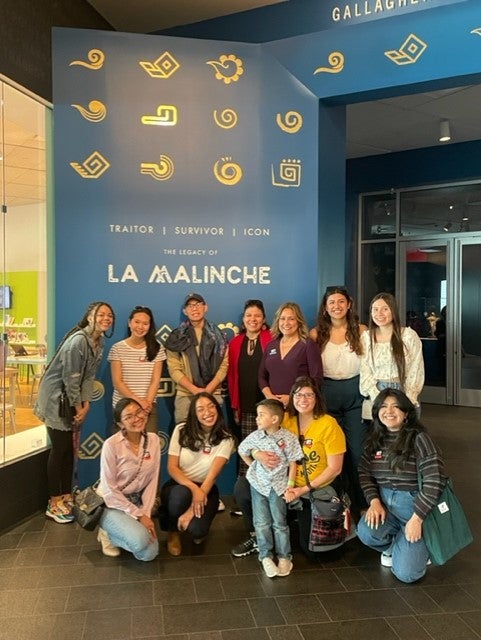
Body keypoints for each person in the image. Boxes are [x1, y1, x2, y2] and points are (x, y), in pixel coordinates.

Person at [34, 301, 115, 524]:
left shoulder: (99, 342)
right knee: (60, 449)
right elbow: (70, 379)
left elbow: (88, 377)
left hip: (72, 400)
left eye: (109, 315)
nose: (106, 318)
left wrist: (86, 403)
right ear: (90, 317)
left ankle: (66, 496)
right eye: (101, 314)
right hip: (55, 399)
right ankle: (54, 502)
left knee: (70, 450)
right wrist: (78, 407)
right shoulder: (78, 340)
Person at [356, 388, 445, 583]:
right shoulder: (373, 440)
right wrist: (374, 502)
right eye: (384, 406)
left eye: (396, 407)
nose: (389, 411)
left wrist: (418, 519)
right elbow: (364, 472)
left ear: (406, 413)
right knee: (365, 531)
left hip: (416, 512)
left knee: (407, 574)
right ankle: (397, 546)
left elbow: (434, 480)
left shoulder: (420, 438)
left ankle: (421, 548)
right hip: (389, 511)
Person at [310, 286, 367, 512]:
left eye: (341, 301)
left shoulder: (362, 331)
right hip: (327, 395)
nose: (336, 306)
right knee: (331, 453)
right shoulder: (316, 335)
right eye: (331, 302)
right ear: (325, 307)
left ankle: (363, 503)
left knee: (357, 451)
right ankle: (333, 503)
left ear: (349, 304)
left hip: (356, 393)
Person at [160, 392, 235, 556]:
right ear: (194, 413)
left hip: (207, 487)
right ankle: (173, 532)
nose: (207, 413)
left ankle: (192, 523)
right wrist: (194, 490)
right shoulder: (181, 429)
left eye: (210, 406)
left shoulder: (226, 439)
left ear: (217, 408)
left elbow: (212, 476)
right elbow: (172, 467)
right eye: (200, 409)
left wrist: (190, 512)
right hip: (179, 484)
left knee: (197, 530)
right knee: (180, 495)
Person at [283, 376, 347, 560]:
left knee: (313, 553)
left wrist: (304, 489)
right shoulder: (285, 421)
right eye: (298, 394)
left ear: (317, 398)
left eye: (309, 395)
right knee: (244, 490)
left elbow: (335, 469)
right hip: (289, 485)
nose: (303, 400)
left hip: (316, 489)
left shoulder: (328, 424)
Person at [238, 398, 303, 577]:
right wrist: (253, 464)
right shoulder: (255, 436)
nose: (257, 419)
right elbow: (242, 450)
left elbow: (293, 462)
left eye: (261, 415)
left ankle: (284, 557)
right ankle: (265, 556)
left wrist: (290, 486)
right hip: (258, 485)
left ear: (274, 419)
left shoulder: (288, 438)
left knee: (279, 523)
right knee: (261, 522)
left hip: (278, 486)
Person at [227, 299, 272, 556]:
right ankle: (245, 499)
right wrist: (234, 404)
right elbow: (232, 375)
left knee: (267, 452)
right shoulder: (234, 343)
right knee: (246, 453)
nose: (252, 319)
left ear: (263, 318)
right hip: (244, 407)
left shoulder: (272, 338)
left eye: (257, 315)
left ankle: (264, 497)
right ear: (243, 319)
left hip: (266, 406)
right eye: (248, 315)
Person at [97, 397, 160, 561]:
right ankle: (107, 534)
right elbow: (110, 491)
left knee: (149, 554)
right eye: (128, 416)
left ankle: (124, 534)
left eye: (138, 412)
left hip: (137, 501)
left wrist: (145, 513)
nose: (136, 418)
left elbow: (152, 482)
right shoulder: (111, 445)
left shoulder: (153, 440)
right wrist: (139, 516)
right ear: (120, 424)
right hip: (112, 503)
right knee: (140, 541)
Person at [165, 293, 228, 424]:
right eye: (190, 305)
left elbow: (224, 365)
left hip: (212, 393)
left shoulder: (219, 336)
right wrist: (195, 390)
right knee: (184, 437)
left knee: (214, 438)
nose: (194, 308)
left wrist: (207, 390)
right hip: (185, 395)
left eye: (198, 304)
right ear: (185, 311)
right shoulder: (176, 337)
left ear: (205, 307)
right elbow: (174, 369)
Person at [360, 292, 424, 419]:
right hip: (377, 391)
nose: (379, 314)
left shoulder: (408, 336)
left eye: (385, 309)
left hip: (403, 390)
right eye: (375, 309)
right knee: (379, 435)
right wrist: (377, 397)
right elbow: (364, 369)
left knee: (404, 435)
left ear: (393, 311)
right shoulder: (367, 337)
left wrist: (408, 397)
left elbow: (416, 369)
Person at [108, 306, 166, 433]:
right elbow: (117, 382)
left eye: (145, 323)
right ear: (129, 323)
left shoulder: (157, 348)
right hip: (123, 407)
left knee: (149, 448)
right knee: (122, 449)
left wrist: (147, 405)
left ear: (150, 326)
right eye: (137, 322)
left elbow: (155, 380)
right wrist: (138, 402)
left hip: (148, 407)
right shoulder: (117, 348)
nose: (140, 327)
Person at [259, 302, 323, 408]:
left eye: (291, 319)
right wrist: (269, 396)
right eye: (282, 318)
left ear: (299, 321)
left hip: (300, 407)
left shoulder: (308, 345)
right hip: (274, 407)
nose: (286, 323)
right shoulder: (271, 345)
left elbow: (317, 379)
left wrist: (293, 398)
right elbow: (261, 376)